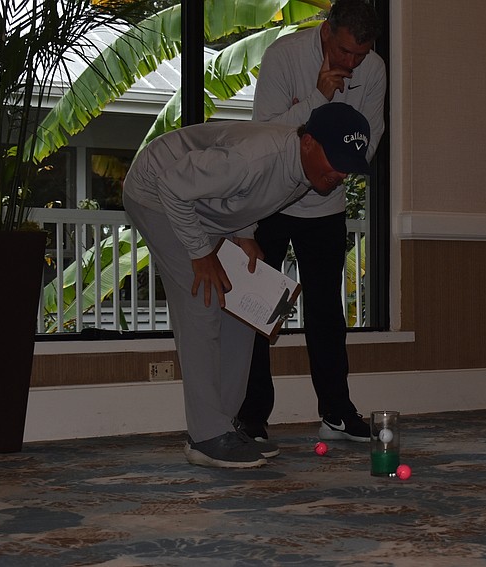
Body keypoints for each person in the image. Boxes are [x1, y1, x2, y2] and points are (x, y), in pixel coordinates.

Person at [122, 103, 371, 468]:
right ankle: (206, 436)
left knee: (242, 310)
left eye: (349, 166)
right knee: (204, 301)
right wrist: (200, 253)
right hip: (156, 193)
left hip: (199, 205)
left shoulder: (305, 172)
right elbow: (173, 185)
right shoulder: (253, 158)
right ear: (308, 143)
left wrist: (245, 234)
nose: (341, 174)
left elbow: (244, 197)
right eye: (336, 160)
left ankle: (224, 427)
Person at [236, 0, 386, 443]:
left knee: (327, 314)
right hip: (273, 202)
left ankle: (336, 413)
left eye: (360, 54)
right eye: (344, 52)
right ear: (326, 31)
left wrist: (332, 163)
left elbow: (369, 137)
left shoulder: (374, 68)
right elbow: (265, 135)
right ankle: (252, 416)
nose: (352, 63)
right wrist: (317, 101)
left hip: (326, 204)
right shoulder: (283, 56)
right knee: (257, 311)